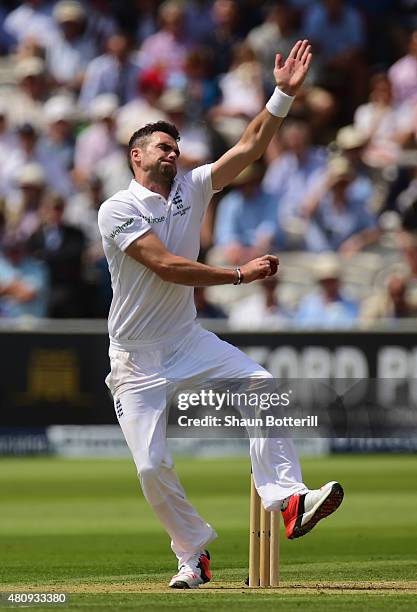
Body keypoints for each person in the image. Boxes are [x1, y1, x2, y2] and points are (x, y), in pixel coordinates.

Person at [98, 40, 344, 590]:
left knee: (262, 387)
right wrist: (237, 275)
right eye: (163, 146)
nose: (173, 152)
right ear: (136, 155)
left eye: (177, 146)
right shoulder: (117, 208)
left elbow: (251, 146)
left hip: (186, 339)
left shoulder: (193, 187)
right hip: (135, 358)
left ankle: (287, 501)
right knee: (149, 467)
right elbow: (166, 266)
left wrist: (281, 94)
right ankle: (192, 552)